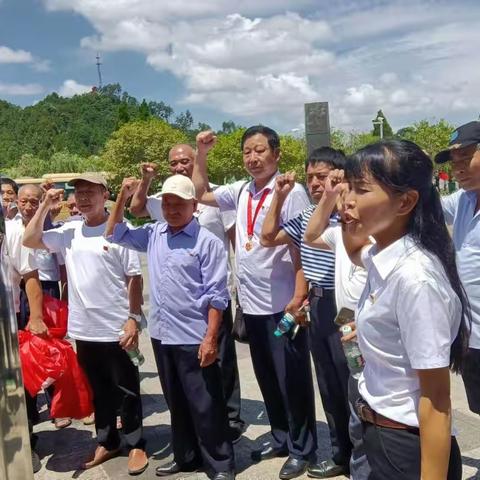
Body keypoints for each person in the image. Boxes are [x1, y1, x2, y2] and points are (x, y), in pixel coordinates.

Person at [193, 127, 317, 480]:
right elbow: (201, 192)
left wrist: (298, 296)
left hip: (282, 304)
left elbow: (300, 247)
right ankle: (280, 436)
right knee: (266, 378)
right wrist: (202, 153)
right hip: (253, 304)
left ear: (276, 154)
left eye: (260, 150)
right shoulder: (242, 190)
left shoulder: (291, 192)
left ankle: (302, 448)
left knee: (292, 379)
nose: (253, 158)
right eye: (247, 151)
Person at [341, 139, 469, 479]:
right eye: (348, 187)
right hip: (379, 434)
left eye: (361, 189)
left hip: (408, 446)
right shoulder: (382, 256)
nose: (348, 200)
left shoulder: (415, 279)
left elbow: (437, 401)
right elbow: (354, 249)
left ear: (406, 201)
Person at [106, 174, 235, 480]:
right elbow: (114, 233)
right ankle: (186, 456)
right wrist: (123, 197)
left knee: (206, 405)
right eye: (167, 203)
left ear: (194, 205)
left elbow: (217, 295)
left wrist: (210, 338)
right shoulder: (155, 232)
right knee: (176, 402)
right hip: (162, 336)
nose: (172, 209)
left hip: (194, 337)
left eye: (179, 203)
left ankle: (220, 465)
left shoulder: (208, 242)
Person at [23, 173, 148, 476]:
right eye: (79, 192)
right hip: (85, 329)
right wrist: (43, 205)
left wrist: (133, 319)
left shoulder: (120, 231)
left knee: (127, 389)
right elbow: (30, 239)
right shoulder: (69, 231)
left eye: (91, 191)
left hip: (117, 327)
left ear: (105, 194)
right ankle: (107, 440)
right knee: (98, 390)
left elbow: (134, 278)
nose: (84, 197)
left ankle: (135, 444)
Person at [129, 144, 245, 442]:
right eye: (174, 163)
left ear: (196, 161)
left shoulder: (215, 194)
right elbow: (137, 209)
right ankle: (195, 433)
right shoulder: (166, 197)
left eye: (185, 161)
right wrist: (145, 180)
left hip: (214, 292)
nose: (180, 166)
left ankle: (229, 420)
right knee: (190, 375)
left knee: (220, 361)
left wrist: (240, 286)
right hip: (178, 305)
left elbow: (233, 238)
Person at [260, 147, 352, 478]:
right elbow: (267, 237)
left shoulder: (351, 213)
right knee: (328, 384)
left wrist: (338, 197)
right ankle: (342, 452)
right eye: (310, 176)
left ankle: (364, 455)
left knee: (353, 382)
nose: (315, 182)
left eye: (322, 175)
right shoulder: (306, 218)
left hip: (347, 306)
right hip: (318, 305)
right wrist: (280, 197)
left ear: (340, 176)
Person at [303, 170, 370, 479]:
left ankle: (364, 465)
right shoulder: (341, 235)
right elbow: (311, 235)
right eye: (342, 200)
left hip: (369, 332)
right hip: (344, 326)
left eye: (350, 197)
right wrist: (329, 197)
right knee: (344, 392)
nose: (346, 206)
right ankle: (350, 459)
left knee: (365, 405)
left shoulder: (376, 239)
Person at [0, 177, 47, 473]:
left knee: (14, 385)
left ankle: (24, 440)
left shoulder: (14, 231)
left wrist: (37, 316)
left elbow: (30, 275)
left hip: (8, 320)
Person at [15, 184, 71, 429]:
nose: (28, 206)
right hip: (20, 292)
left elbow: (61, 263)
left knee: (49, 346)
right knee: (24, 351)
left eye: (34, 202)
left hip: (47, 288)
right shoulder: (9, 225)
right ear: (17, 201)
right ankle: (28, 407)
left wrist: (65, 291)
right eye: (23, 201)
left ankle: (57, 406)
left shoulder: (49, 223)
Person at [435, 120, 480, 421]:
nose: (458, 168)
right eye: (455, 162)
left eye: (466, 158)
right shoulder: (464, 199)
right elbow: (425, 208)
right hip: (472, 333)